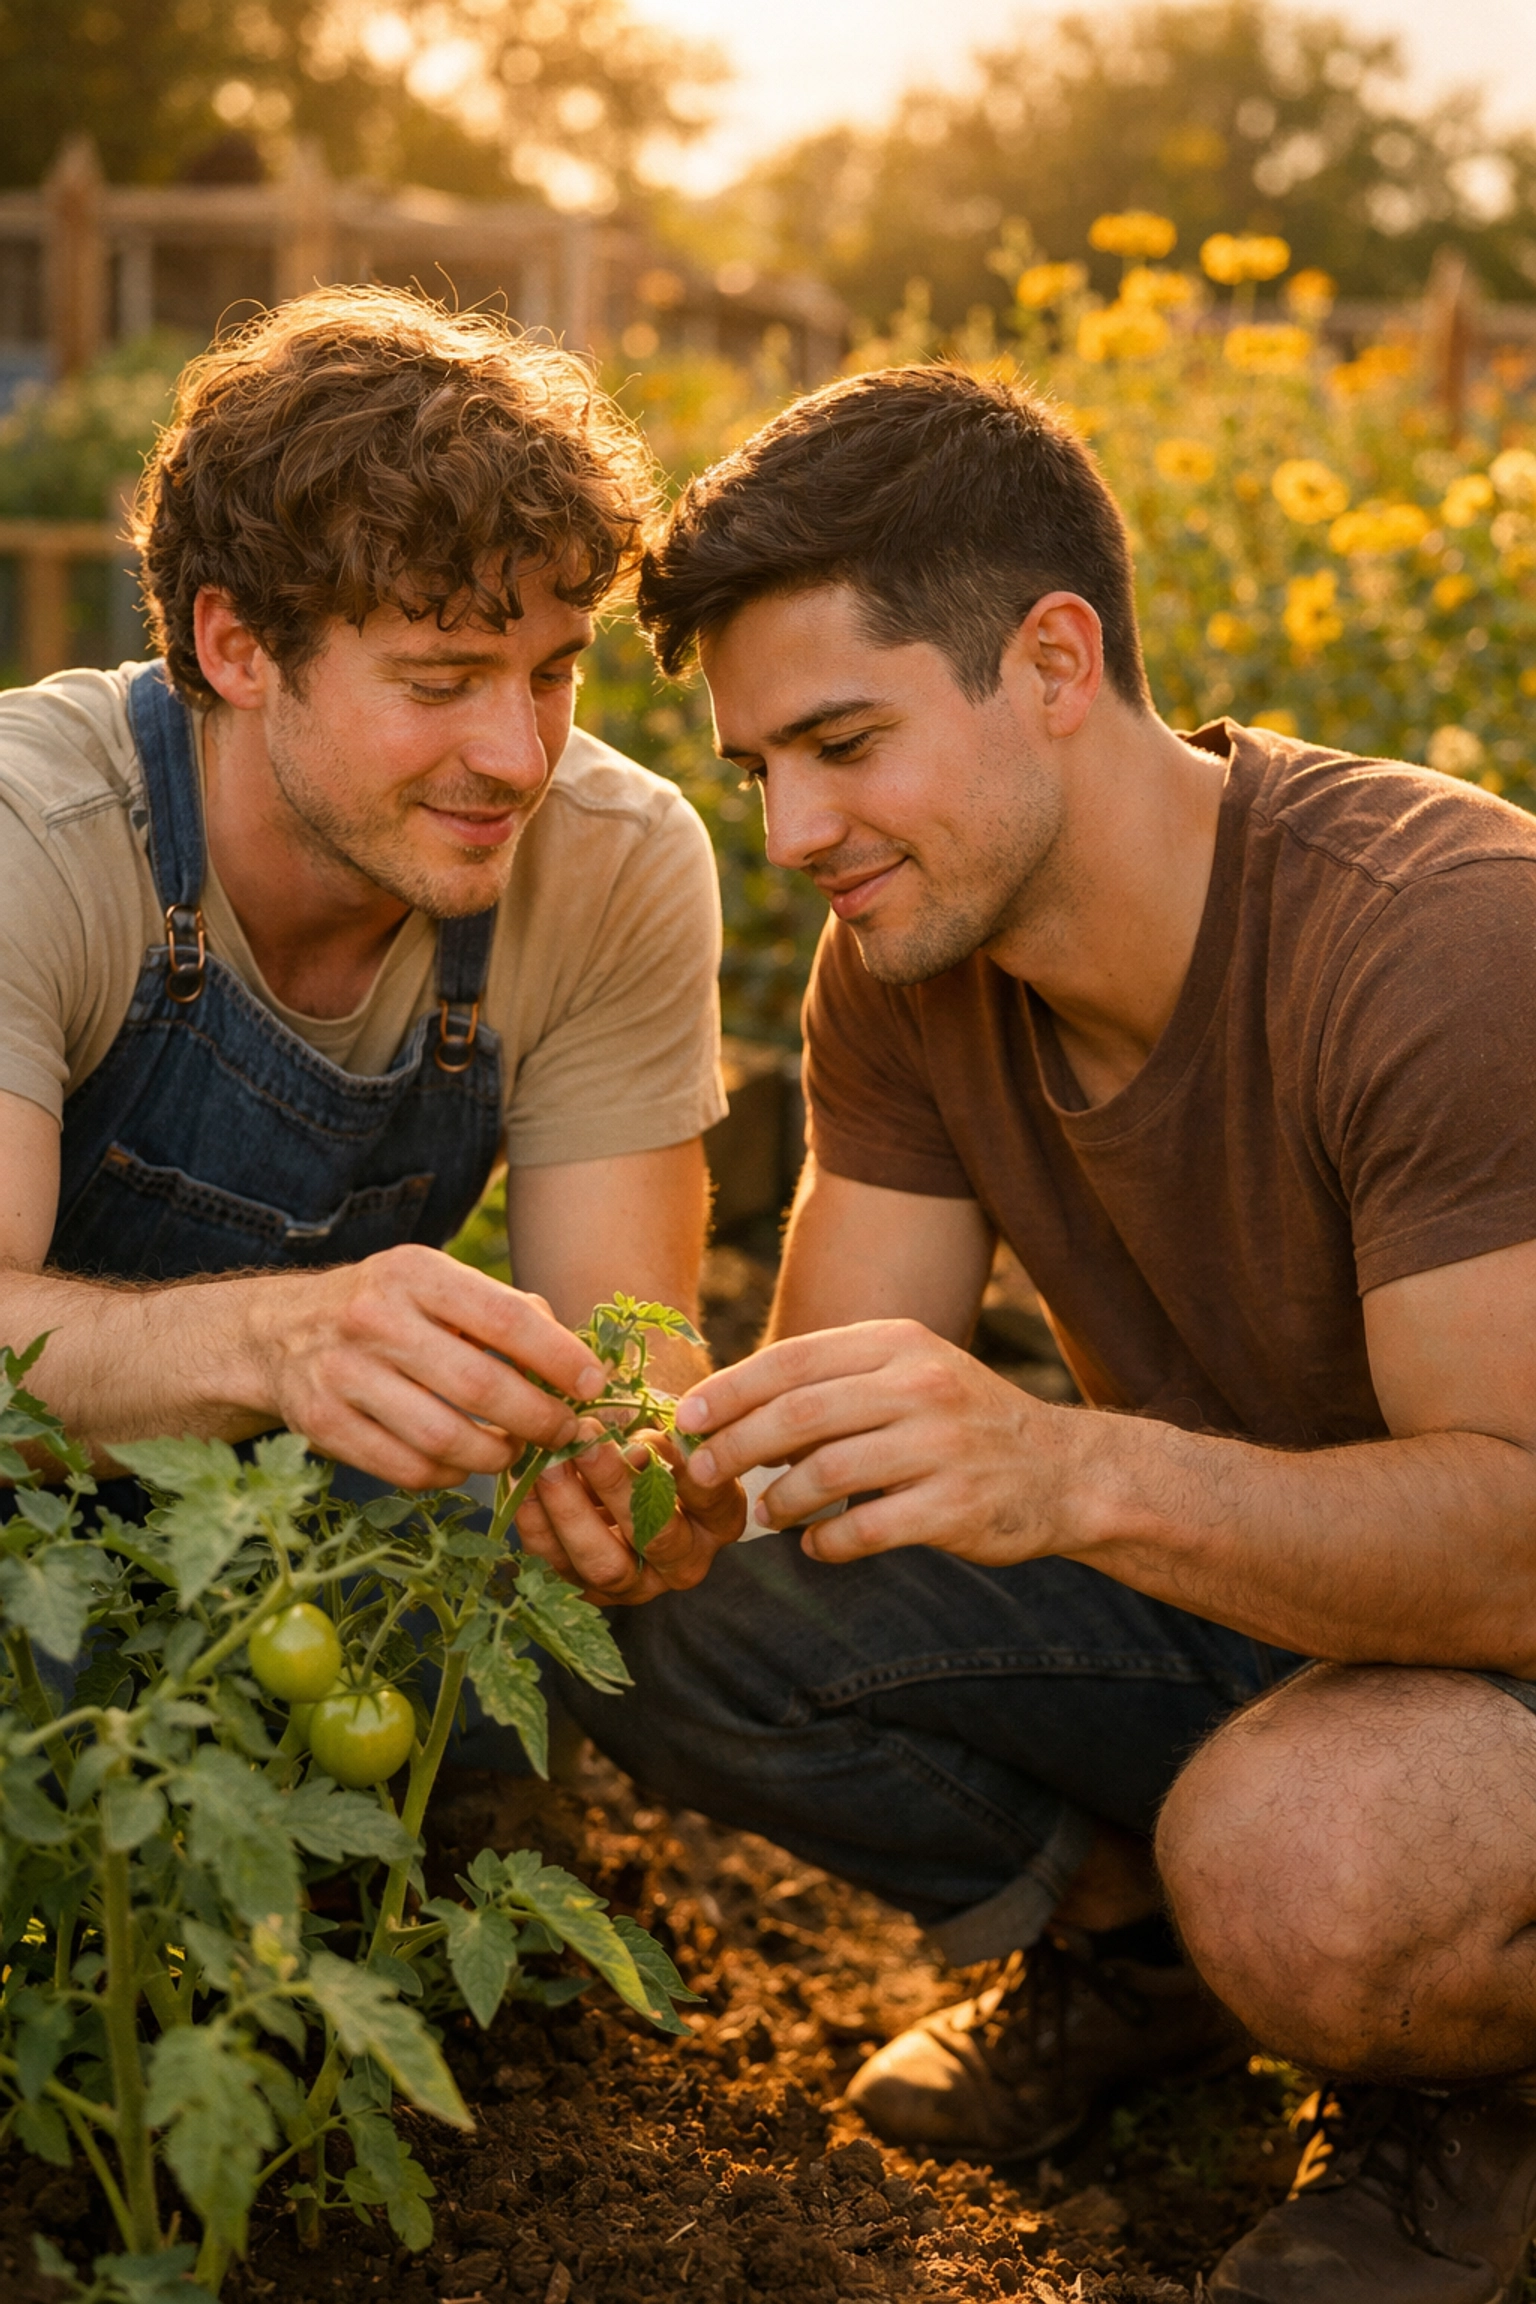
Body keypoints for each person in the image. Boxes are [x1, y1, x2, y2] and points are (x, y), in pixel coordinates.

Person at [534, 362, 1536, 2302]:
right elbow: (812, 1433)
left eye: (842, 741)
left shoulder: (1444, 943)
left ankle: (1464, 2094)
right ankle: (1155, 1971)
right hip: (1279, 1592)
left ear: (1057, 660)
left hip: (1496, 1625)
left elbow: (1516, 1551)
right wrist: (660, 1495)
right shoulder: (907, 960)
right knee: (647, 1605)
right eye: (761, 773)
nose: (796, 829)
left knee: (1308, 1854)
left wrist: (1070, 1465)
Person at [0, 285, 743, 1625]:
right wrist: (280, 1342)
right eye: (441, 681)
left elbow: (634, 1344)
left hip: (303, 1509)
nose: (519, 758)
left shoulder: (618, 861)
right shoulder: (35, 834)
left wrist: (627, 1466)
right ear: (235, 645)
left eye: (553, 672)